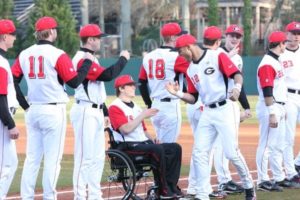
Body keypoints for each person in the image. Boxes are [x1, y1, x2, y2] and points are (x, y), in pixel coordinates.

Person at [166, 29, 255, 200]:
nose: (179, 55)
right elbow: (193, 98)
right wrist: (177, 94)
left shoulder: (217, 55)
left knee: (231, 153)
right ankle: (201, 194)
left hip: (225, 108)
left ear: (188, 46)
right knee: (199, 152)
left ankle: (249, 185)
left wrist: (236, 88)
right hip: (207, 111)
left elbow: (236, 74)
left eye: (179, 51)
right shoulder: (190, 69)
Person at [11, 16, 94, 200]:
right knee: (52, 160)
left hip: (33, 110)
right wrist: (87, 62)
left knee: (32, 158)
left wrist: (24, 105)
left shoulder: (24, 53)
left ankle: (27, 197)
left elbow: (13, 81)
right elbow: (74, 82)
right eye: (55, 29)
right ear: (51, 32)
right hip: (53, 110)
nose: (56, 31)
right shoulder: (58, 54)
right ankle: (49, 197)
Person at [70, 24, 130, 200]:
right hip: (85, 111)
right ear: (90, 40)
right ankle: (80, 197)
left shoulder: (90, 58)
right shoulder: (83, 58)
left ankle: (95, 196)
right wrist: (123, 59)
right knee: (84, 159)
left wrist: (104, 112)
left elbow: (97, 90)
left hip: (94, 111)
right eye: (98, 38)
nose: (100, 41)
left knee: (97, 158)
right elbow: (108, 75)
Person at [108, 75, 182, 199]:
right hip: (127, 147)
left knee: (175, 148)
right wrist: (142, 115)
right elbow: (125, 129)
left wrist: (153, 140)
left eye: (134, 85)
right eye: (130, 85)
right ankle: (163, 190)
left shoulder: (135, 106)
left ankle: (171, 186)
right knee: (156, 150)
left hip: (142, 143)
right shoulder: (115, 107)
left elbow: (143, 130)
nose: (134, 88)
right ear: (121, 88)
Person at [255, 31, 299, 192]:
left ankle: (279, 177)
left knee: (277, 145)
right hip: (270, 107)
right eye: (284, 43)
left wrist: (282, 108)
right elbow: (267, 91)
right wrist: (273, 112)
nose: (285, 45)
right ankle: (262, 180)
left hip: (279, 106)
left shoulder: (276, 60)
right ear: (279, 44)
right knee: (266, 146)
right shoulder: (267, 63)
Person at [138, 22, 189, 143]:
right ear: (172, 38)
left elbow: (141, 82)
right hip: (170, 106)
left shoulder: (149, 56)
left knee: (160, 145)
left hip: (156, 106)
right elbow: (192, 74)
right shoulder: (177, 56)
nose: (181, 38)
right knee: (168, 148)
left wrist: (149, 104)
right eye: (179, 35)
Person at [0, 19, 20, 200]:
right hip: (2, 119)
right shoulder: (1, 62)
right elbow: (0, 97)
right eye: (13, 34)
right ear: (4, 36)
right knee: (8, 164)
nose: (15, 37)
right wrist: (11, 124)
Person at [280, 21, 300, 174]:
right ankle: (290, 171)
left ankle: (297, 163)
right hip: (289, 97)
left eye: (298, 33)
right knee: (289, 136)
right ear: (287, 34)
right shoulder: (280, 54)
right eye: (293, 33)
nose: (296, 36)